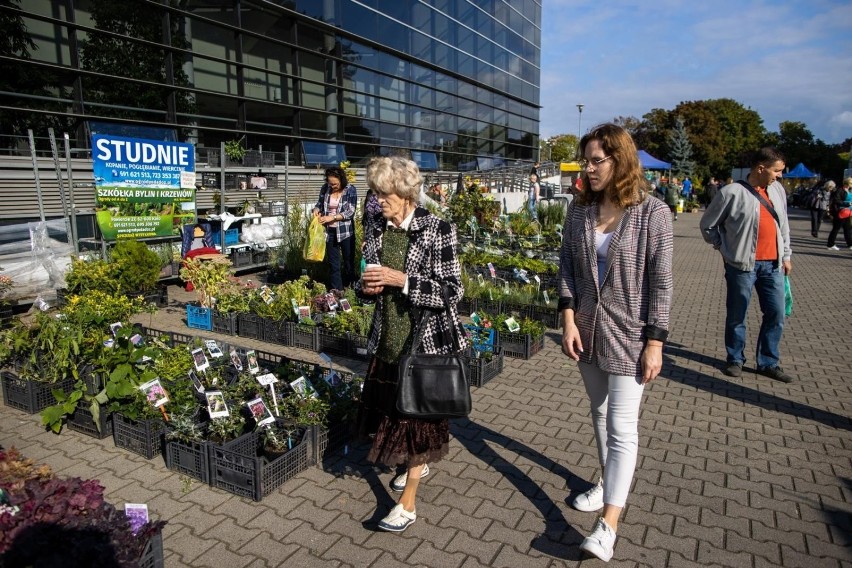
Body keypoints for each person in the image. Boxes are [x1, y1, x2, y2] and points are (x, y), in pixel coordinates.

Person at [558, 123, 673, 562]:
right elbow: (567, 266)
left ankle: (608, 525)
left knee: (623, 428)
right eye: (586, 160)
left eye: (596, 161)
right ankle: (607, 482)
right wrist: (568, 318)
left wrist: (655, 342)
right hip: (585, 330)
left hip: (630, 334)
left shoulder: (653, 214)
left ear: (620, 160)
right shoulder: (579, 209)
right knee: (600, 411)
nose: (587, 168)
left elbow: (661, 284)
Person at [355, 156, 467, 533]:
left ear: (404, 193)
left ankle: (408, 505)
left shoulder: (438, 229)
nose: (377, 200)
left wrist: (402, 280)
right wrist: (366, 288)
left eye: (383, 193)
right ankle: (413, 468)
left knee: (416, 423)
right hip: (387, 337)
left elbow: (453, 291)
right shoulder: (375, 225)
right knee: (395, 412)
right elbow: (368, 278)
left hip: (424, 345)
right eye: (375, 193)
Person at [699, 147, 793, 383]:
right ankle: (735, 359)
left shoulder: (778, 191)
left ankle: (768, 362)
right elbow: (708, 225)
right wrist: (724, 248)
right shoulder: (730, 193)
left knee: (776, 313)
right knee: (737, 314)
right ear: (761, 168)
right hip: (742, 266)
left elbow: (784, 226)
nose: (779, 175)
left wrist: (786, 255)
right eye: (777, 171)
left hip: (773, 265)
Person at [312, 167, 357, 290]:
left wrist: (332, 218)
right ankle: (337, 291)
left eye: (335, 184)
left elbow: (350, 212)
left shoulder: (350, 190)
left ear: (341, 180)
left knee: (348, 262)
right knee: (334, 265)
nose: (332, 186)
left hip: (346, 232)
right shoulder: (325, 188)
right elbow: (319, 204)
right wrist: (316, 210)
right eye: (330, 183)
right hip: (329, 232)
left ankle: (351, 288)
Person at [826, 177, 852, 250]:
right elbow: (836, 200)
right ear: (847, 183)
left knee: (847, 229)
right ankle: (830, 244)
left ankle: (850, 244)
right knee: (836, 228)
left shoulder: (849, 190)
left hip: (848, 212)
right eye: (851, 184)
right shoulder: (840, 190)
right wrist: (846, 204)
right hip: (840, 212)